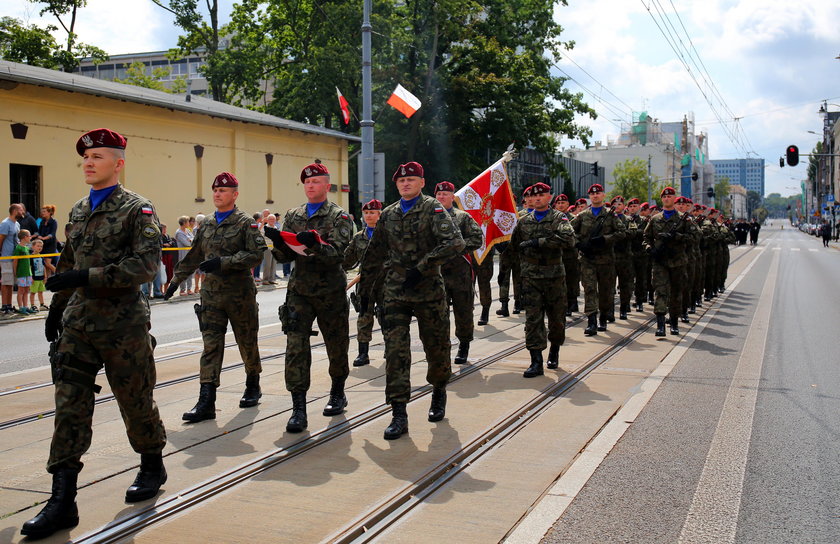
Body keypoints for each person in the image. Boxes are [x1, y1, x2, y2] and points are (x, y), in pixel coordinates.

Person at [22, 129, 167, 539]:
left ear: (118, 163)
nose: (89, 162)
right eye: (85, 156)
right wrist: (57, 308)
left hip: (124, 325)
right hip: (80, 324)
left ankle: (152, 463)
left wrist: (88, 276)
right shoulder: (79, 209)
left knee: (135, 400)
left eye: (98, 156)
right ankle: (62, 500)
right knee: (69, 406)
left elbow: (144, 267)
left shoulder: (138, 210)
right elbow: (68, 261)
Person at [358, 161, 465, 440]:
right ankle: (398, 412)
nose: (406, 184)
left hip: (428, 289)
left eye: (412, 179)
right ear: (396, 185)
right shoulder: (389, 214)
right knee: (395, 352)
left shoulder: (434, 208)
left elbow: (455, 242)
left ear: (421, 182)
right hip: (395, 290)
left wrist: (424, 267)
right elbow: (374, 252)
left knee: (436, 346)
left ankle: (439, 389)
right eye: (401, 181)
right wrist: (365, 290)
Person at [165, 172, 267, 422]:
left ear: (235, 194)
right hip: (211, 296)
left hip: (239, 294)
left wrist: (224, 262)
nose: (217, 194)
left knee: (247, 342)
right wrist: (175, 282)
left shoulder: (245, 223)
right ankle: (206, 401)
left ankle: (253, 384)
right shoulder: (207, 223)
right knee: (211, 346)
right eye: (215, 190)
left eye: (223, 190)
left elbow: (256, 254)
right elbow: (194, 255)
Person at [264, 161, 354, 433]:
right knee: (295, 348)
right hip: (300, 291)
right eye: (307, 183)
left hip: (330, 291)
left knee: (336, 344)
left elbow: (341, 256)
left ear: (327, 186)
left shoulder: (340, 217)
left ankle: (337, 391)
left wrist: (316, 244)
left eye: (316, 182)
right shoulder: (294, 215)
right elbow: (285, 257)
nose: (310, 186)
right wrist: (277, 242)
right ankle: (298, 408)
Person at [511, 183, 575, 377]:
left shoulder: (559, 218)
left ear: (550, 197)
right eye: (534, 196)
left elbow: (569, 239)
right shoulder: (523, 221)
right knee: (533, 319)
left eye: (542, 195)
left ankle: (554, 348)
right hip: (531, 276)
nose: (538, 198)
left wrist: (539, 242)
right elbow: (514, 246)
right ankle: (536, 360)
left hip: (554, 275)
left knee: (556, 319)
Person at [434, 181, 483, 364]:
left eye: (445, 194)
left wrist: (459, 248)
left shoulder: (463, 217)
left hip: (460, 273)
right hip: (437, 274)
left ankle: (464, 345)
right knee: (439, 313)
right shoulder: (430, 217)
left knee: (463, 312)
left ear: (452, 197)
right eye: (439, 194)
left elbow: (477, 238)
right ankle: (443, 346)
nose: (441, 197)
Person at [571, 184, 626, 335]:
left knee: (605, 291)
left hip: (606, 260)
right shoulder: (582, 215)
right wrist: (580, 244)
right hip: (587, 259)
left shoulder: (611, 214)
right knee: (589, 289)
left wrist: (605, 239)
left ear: (603, 195)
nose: (595, 196)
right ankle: (591, 321)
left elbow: (622, 232)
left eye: (598, 193)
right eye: (592, 194)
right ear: (589, 196)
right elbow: (569, 233)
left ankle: (603, 317)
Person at [343, 199, 385, 367]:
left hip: (385, 283)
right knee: (364, 317)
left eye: (372, 213)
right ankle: (363, 353)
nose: (368, 216)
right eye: (366, 213)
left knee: (386, 316)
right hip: (365, 284)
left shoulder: (387, 235)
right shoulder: (359, 237)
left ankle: (390, 348)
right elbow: (347, 259)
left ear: (379, 215)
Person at [643, 187, 690, 336]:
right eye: (665, 196)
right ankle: (660, 324)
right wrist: (649, 248)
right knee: (660, 291)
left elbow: (695, 237)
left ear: (674, 198)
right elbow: (646, 237)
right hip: (660, 262)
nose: (667, 198)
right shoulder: (655, 219)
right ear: (661, 199)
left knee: (676, 292)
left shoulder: (684, 219)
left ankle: (674, 322)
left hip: (678, 262)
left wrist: (677, 237)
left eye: (670, 196)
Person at [553, 194, 580, 316]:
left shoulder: (574, 219)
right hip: (556, 255)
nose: (561, 205)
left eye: (563, 203)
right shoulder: (552, 218)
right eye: (558, 203)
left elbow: (578, 235)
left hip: (570, 255)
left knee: (571, 279)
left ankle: (572, 302)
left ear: (568, 204)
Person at [1, 204, 23, 314]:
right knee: (5, 282)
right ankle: (4, 306)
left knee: (11, 283)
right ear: (14, 211)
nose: (22, 211)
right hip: (6, 256)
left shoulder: (17, 224)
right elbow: (0, 240)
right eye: (20, 209)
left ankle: (9, 305)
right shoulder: (5, 224)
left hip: (14, 257)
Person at [36, 205, 59, 280]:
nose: (42, 213)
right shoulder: (42, 221)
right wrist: (36, 236)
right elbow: (39, 232)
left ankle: (59, 275)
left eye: (44, 211)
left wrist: (43, 238)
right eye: (42, 211)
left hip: (51, 244)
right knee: (45, 265)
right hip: (43, 244)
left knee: (47, 263)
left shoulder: (54, 222)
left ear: (49, 212)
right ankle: (47, 280)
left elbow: (52, 234)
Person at [13, 229, 33, 314]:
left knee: (26, 290)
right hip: (21, 273)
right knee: (21, 290)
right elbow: (15, 261)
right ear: (24, 237)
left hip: (28, 273)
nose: (30, 238)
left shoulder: (26, 248)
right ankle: (21, 307)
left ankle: (25, 306)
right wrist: (15, 272)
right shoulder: (18, 248)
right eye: (29, 236)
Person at [30, 238, 53, 310]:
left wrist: (45, 276)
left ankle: (42, 304)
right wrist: (31, 277)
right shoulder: (30, 257)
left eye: (41, 246)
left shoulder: (41, 256)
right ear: (33, 247)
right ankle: (32, 305)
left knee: (41, 292)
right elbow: (30, 267)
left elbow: (43, 267)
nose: (40, 248)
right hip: (35, 278)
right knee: (33, 292)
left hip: (41, 277)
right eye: (38, 246)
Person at [174, 216, 194, 295]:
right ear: (184, 223)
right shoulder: (179, 233)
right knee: (183, 273)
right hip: (183, 256)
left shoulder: (188, 231)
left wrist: (191, 240)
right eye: (188, 222)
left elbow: (193, 239)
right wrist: (190, 240)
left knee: (190, 272)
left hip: (190, 255)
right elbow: (187, 243)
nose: (189, 223)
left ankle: (189, 289)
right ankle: (182, 290)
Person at [261, 213, 279, 284]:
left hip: (274, 248)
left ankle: (272, 279)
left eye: (273, 219)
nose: (272, 220)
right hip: (267, 248)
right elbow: (261, 236)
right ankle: (265, 280)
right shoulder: (265, 228)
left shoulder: (275, 228)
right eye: (270, 219)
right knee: (267, 264)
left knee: (273, 264)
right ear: (267, 220)